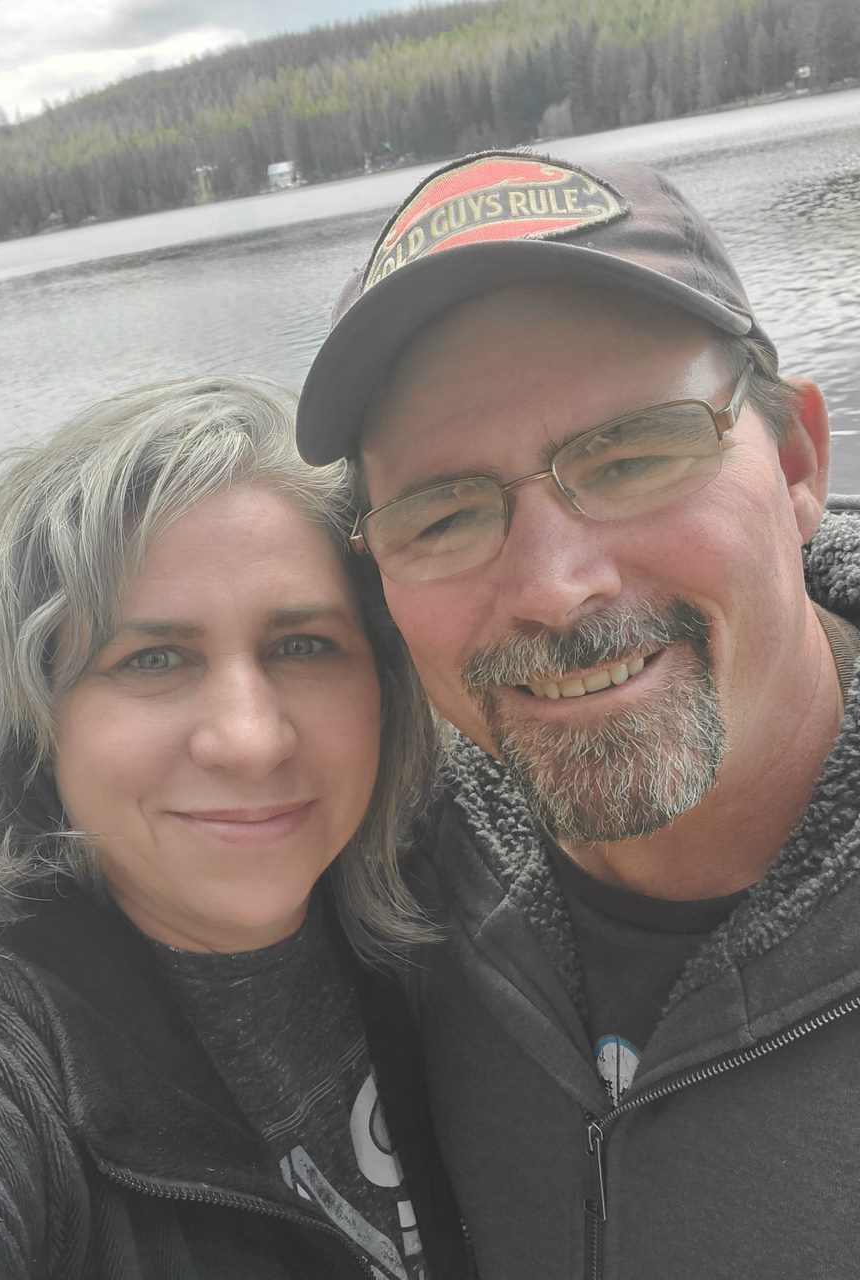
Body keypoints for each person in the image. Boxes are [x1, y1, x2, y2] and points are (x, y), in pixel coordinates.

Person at [295, 150, 860, 1278]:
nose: (554, 587)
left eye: (635, 455)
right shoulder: (376, 865)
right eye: (443, 517)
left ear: (798, 461)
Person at [0, 376, 469, 1280]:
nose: (250, 740)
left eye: (302, 646)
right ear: (34, 722)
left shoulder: (459, 907)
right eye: (153, 658)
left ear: (384, 684)